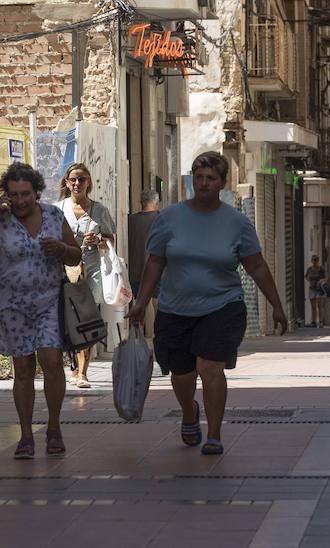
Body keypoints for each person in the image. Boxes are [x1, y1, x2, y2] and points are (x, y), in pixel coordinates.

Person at [128, 152, 288, 456]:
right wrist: (141, 302)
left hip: (222, 305)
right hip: (175, 307)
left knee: (210, 367)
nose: (203, 183)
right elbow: (155, 263)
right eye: (198, 177)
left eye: (210, 178)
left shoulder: (236, 222)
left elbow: (256, 266)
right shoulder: (169, 217)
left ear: (222, 183)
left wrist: (276, 305)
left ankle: (214, 434)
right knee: (182, 373)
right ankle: (189, 412)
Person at [0, 163, 82, 460]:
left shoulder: (53, 214)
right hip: (12, 305)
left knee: (52, 360)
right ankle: (26, 435)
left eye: (25, 194)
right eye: (13, 195)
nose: (20, 201)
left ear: (36, 192)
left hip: (49, 300)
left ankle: (53, 427)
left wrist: (63, 250)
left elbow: (76, 252)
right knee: (23, 368)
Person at [55, 163, 117, 388]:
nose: (77, 183)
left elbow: (111, 239)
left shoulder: (99, 210)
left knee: (87, 320)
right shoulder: (57, 209)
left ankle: (82, 372)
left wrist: (99, 241)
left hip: (91, 272)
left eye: (81, 179)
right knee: (67, 320)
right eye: (73, 179)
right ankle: (73, 367)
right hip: (63, 271)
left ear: (88, 182)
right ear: (67, 182)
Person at [127, 191, 163, 339]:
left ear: (140, 202)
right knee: (158, 306)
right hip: (159, 272)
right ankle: (159, 335)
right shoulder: (161, 219)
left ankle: (136, 339)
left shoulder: (130, 220)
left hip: (135, 272)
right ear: (156, 202)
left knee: (138, 307)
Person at [304, 255, 327, 327]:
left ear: (318, 261)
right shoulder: (309, 269)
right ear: (312, 261)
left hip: (319, 289)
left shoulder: (321, 269)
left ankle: (320, 321)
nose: (315, 262)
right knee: (313, 306)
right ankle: (313, 321)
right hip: (312, 289)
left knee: (320, 306)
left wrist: (321, 281)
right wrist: (310, 281)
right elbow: (306, 276)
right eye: (313, 260)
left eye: (316, 260)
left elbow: (326, 278)